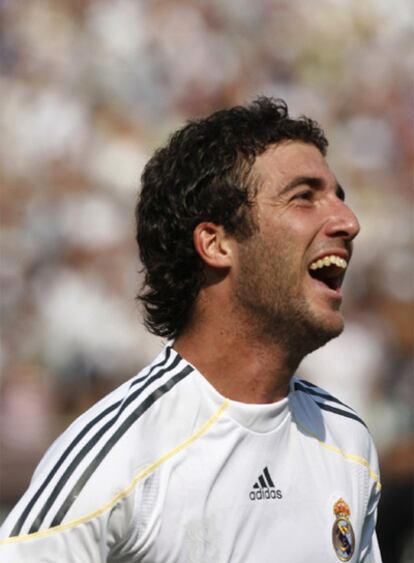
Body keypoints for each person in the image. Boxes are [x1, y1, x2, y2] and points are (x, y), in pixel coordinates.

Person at [0, 97, 382, 562]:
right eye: (304, 196)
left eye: (339, 197)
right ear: (216, 243)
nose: (348, 222)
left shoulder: (348, 442)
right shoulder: (119, 456)